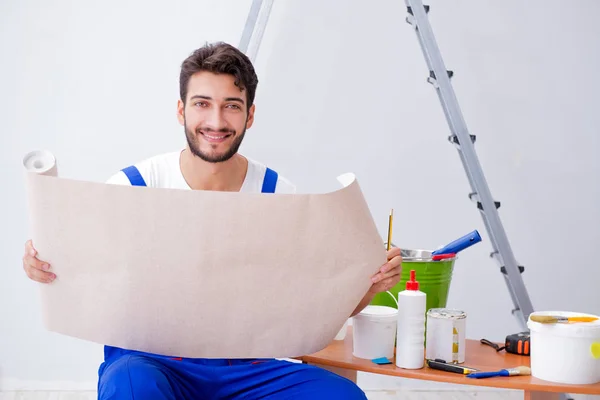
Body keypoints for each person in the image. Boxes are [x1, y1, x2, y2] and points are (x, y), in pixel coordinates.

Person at [22, 41, 402, 399]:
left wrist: (369, 284)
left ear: (250, 115)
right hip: (152, 362)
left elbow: (315, 306)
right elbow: (82, 269)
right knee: (130, 382)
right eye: (202, 103)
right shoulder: (133, 185)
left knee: (340, 395)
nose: (216, 121)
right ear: (181, 110)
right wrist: (44, 264)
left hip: (249, 368)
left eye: (232, 106)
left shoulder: (279, 194)